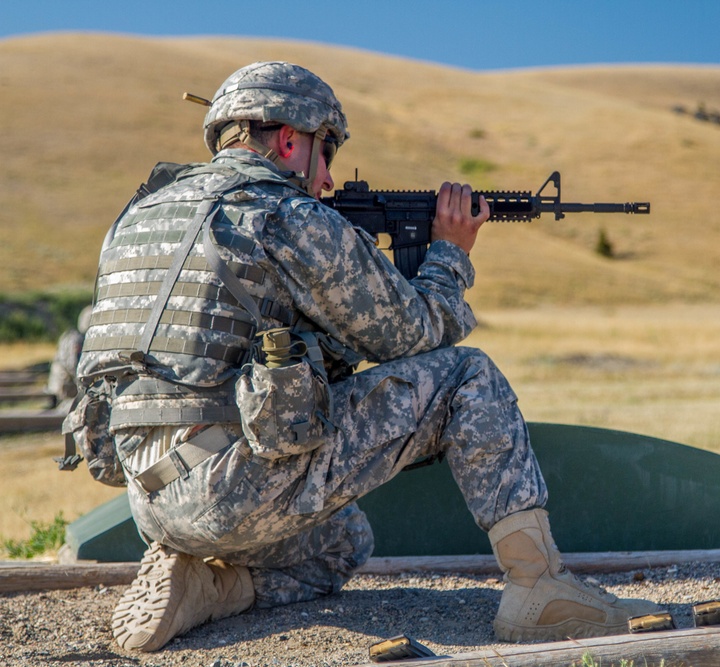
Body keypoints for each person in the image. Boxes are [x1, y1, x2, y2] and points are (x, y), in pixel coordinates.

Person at [74, 61, 659, 653]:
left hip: (149, 499)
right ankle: (539, 588)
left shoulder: (135, 219)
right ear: (288, 140)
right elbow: (415, 333)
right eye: (325, 154)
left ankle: (212, 586)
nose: (327, 180)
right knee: (465, 377)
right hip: (234, 489)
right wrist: (450, 252)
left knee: (342, 541)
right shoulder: (287, 217)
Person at [46, 305, 91, 411]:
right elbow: (75, 369)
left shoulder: (70, 336)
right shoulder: (77, 340)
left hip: (60, 391)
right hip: (65, 396)